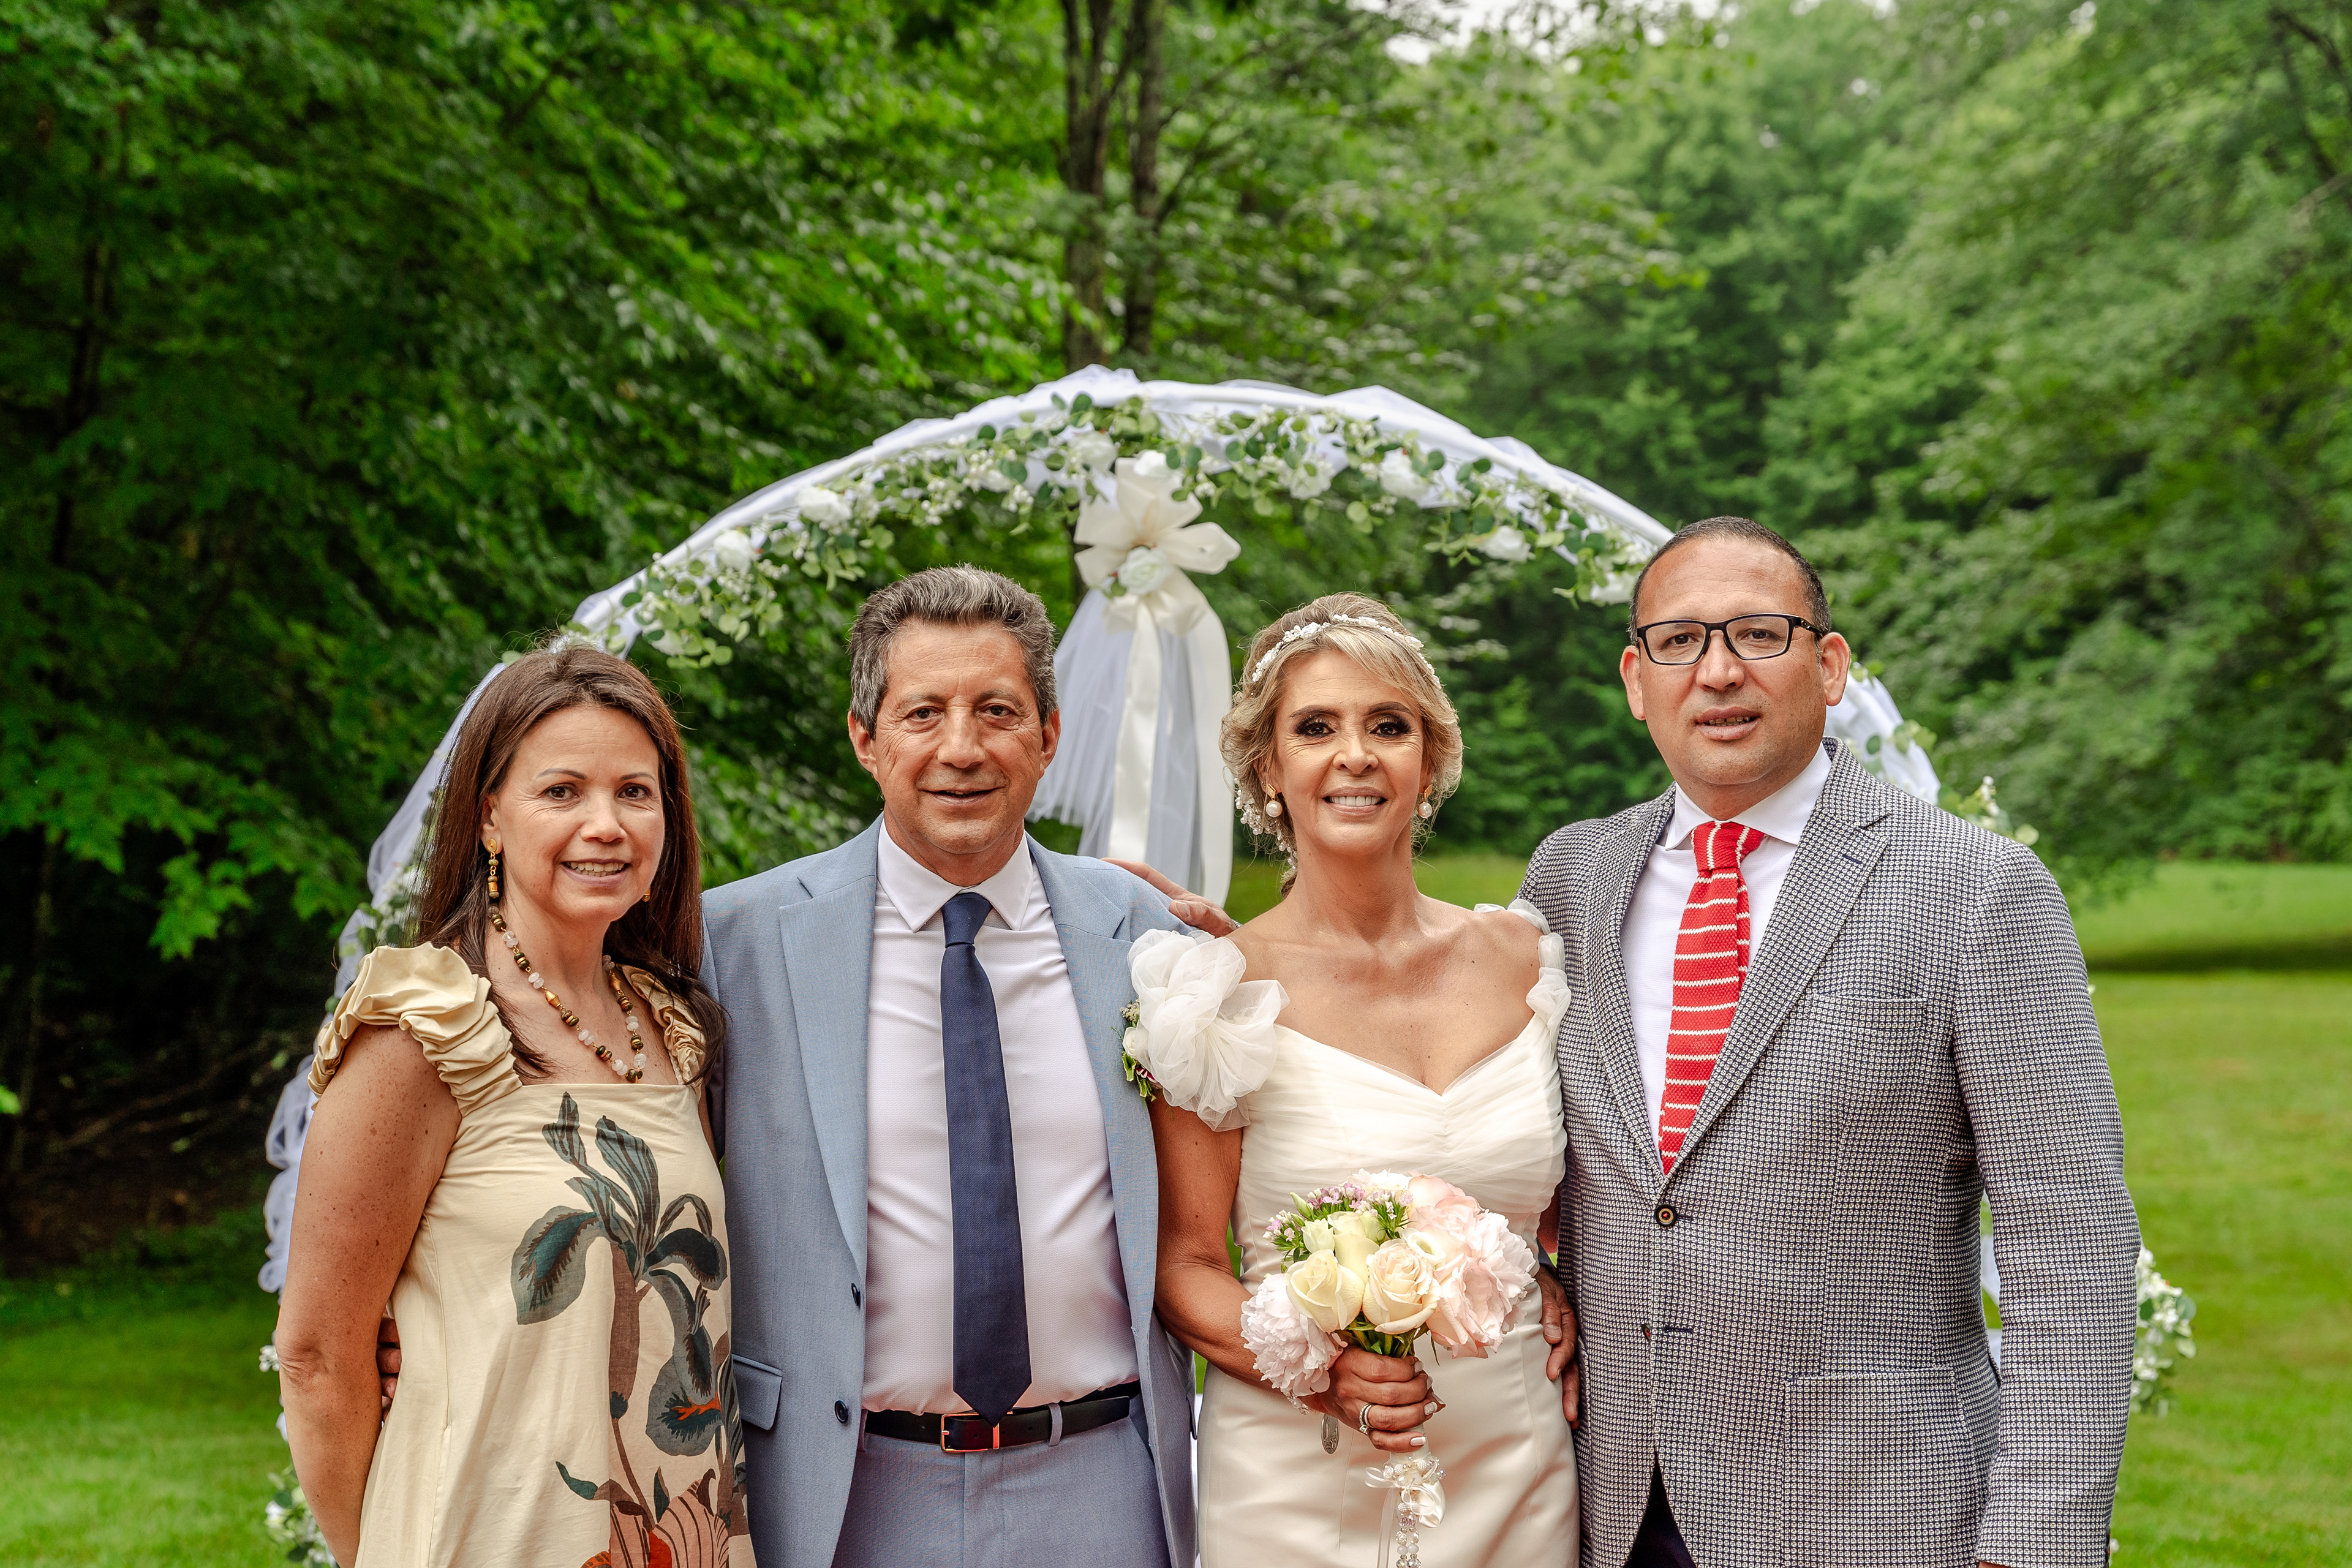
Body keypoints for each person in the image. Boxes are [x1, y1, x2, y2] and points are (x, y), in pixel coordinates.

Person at [1520, 516, 2138, 1568]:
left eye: (1759, 634)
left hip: (1876, 1514)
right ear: (1636, 679)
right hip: (1604, 1505)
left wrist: (2036, 1542)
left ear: (1831, 664)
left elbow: (2069, 1239)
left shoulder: (1978, 890)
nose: (1718, 671)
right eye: (1679, 640)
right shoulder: (1571, 877)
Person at [703, 566, 1197, 1568]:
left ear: (1048, 736)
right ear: (864, 738)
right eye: (923, 712)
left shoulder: (1142, 934)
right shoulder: (736, 942)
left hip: (1102, 1482)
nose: (962, 748)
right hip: (843, 1494)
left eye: (998, 711)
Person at [1128, 594, 1581, 1567]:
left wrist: (1556, 1276)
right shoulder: (1216, 993)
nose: (1355, 755)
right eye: (1315, 729)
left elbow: (1575, 1202)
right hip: (1300, 1479)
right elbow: (1187, 1268)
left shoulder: (1527, 958)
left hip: (1519, 1466)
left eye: (1388, 726)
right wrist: (1326, 1371)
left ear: (1431, 759)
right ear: (1268, 768)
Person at [275, 644, 749, 1567]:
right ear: (490, 814)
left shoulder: (676, 1031)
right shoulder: (426, 1030)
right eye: (562, 792)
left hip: (678, 1529)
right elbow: (318, 1356)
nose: (605, 825)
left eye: (635, 792)